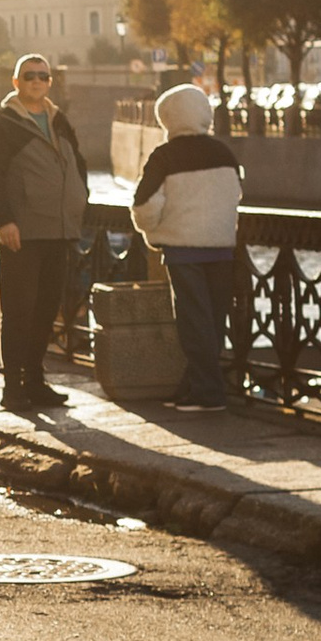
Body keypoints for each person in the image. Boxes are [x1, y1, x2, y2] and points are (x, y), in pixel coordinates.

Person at [0, 51, 91, 413]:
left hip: (59, 229)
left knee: (46, 309)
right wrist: (4, 221)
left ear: (50, 82)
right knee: (17, 311)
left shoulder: (59, 121)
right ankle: (13, 388)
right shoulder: (1, 126)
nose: (37, 81)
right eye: (29, 76)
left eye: (43, 76)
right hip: (22, 231)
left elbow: (80, 166)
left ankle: (36, 382)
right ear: (15, 82)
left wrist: (79, 202)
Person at [130, 79, 242, 413]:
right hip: (222, 247)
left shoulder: (165, 155)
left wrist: (152, 232)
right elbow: (236, 195)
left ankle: (208, 394)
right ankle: (194, 386)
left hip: (184, 249)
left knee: (194, 321)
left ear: (167, 117)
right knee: (213, 319)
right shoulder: (224, 152)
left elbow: (144, 204)